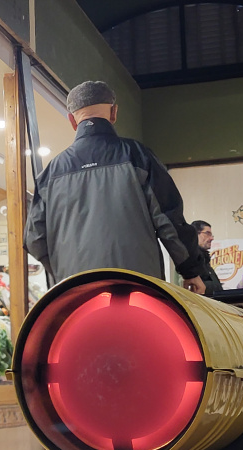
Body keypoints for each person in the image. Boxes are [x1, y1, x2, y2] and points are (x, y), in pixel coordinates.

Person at [24, 80, 206, 294]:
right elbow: (170, 220)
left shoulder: (51, 173)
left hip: (75, 294)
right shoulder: (137, 156)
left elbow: (34, 239)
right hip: (139, 291)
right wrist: (191, 270)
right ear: (114, 113)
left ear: (72, 120)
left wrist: (63, 268)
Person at [192, 220, 223, 295]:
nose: (211, 238)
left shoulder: (205, 261)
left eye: (211, 235)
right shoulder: (188, 260)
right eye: (207, 233)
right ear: (195, 234)